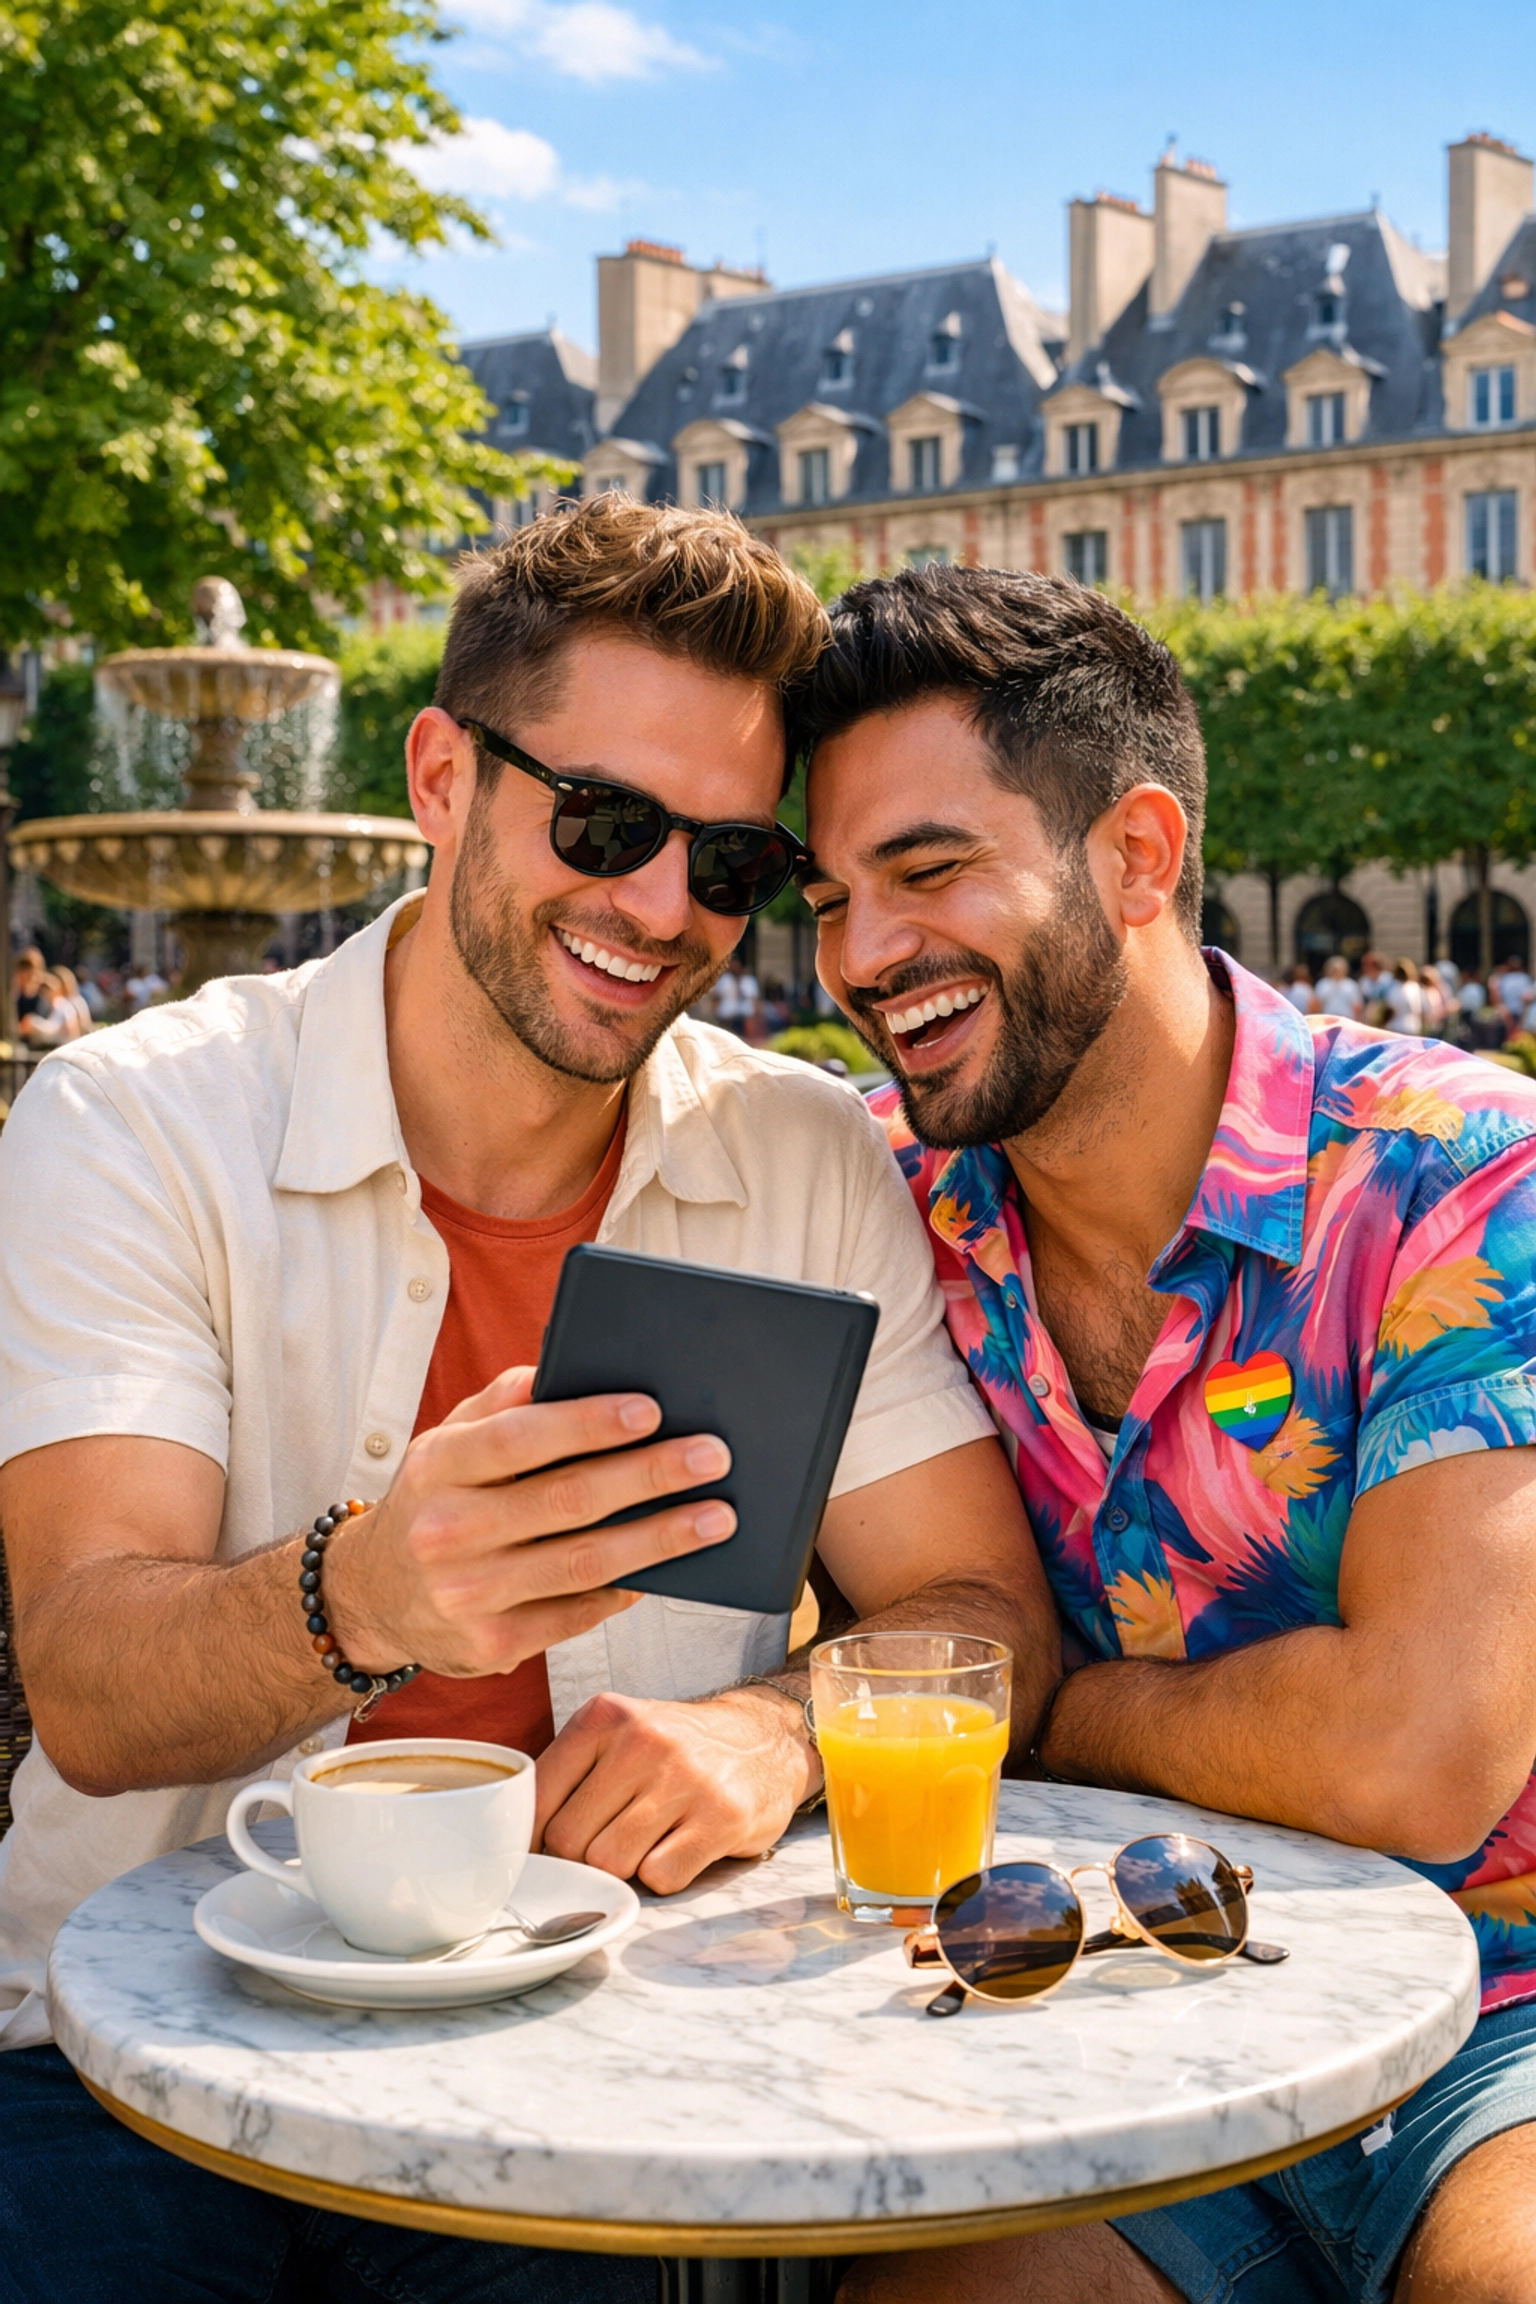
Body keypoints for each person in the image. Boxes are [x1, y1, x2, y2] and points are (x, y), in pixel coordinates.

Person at [0, 501, 1056, 2303]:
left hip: (593, 2066)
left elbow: (985, 1612)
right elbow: (92, 1687)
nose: (662, 908)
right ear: (437, 774)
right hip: (127, 2053)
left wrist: (786, 1726)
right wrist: (374, 1591)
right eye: (604, 822)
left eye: (728, 862)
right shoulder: (132, 1118)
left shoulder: (800, 1151)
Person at [791, 564, 1536, 2304]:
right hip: (1095, 2008)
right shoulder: (878, 1208)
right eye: (827, 898)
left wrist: (1067, 1698)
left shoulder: (1453, 1165)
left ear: (1134, 853)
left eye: (925, 870)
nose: (855, 958)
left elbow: (1416, 1756)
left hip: (1501, 2012)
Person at [1313, 952, 1363, 1022]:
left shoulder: (1351, 985)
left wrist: (1357, 1021)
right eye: (1334, 969)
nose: (1336, 972)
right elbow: (1316, 1004)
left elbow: (1357, 1006)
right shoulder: (1323, 984)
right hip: (1327, 1020)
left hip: (1346, 1020)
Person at [1385, 955, 1425, 1035]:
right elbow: (1420, 1009)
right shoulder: (1415, 987)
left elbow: (1393, 1010)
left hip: (1397, 1026)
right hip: (1413, 1025)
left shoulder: (1394, 989)